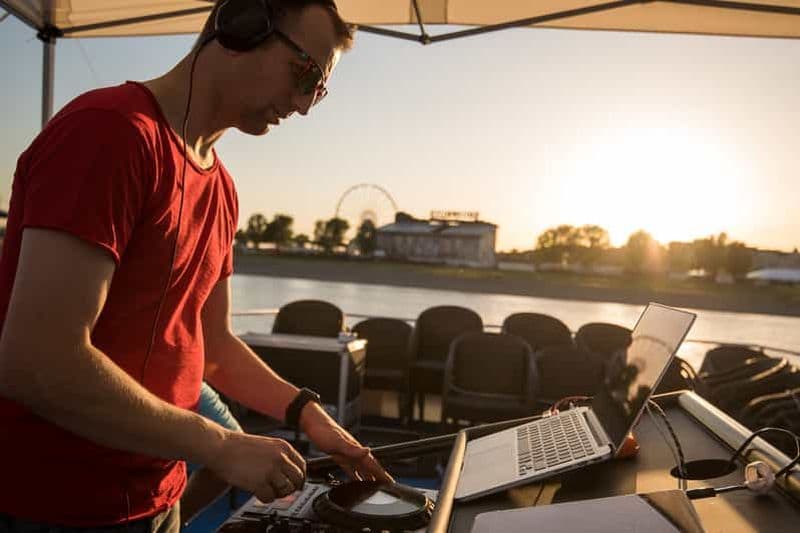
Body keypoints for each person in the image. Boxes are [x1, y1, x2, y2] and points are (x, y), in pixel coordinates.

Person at [0, 1, 390, 531]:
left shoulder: (223, 192)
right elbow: (37, 359)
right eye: (304, 74)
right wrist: (222, 445)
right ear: (241, 26)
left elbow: (214, 348)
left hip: (157, 498)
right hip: (57, 507)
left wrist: (309, 415)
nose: (302, 105)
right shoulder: (110, 134)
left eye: (318, 91)